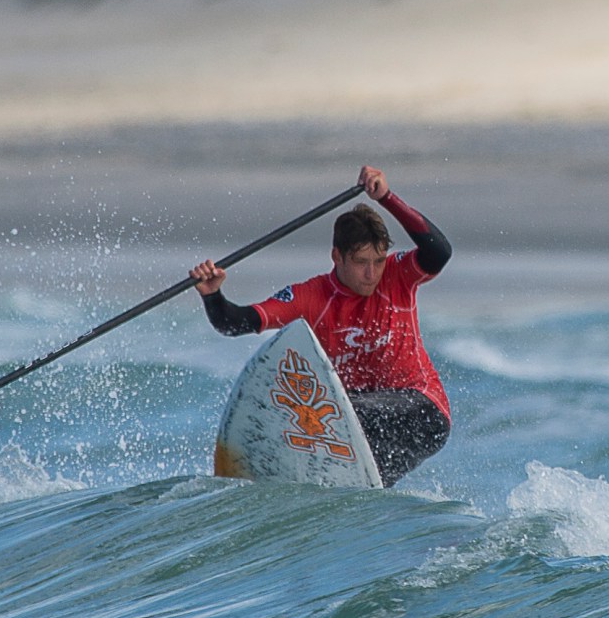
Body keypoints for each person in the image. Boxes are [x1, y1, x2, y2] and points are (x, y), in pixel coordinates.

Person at [192, 166, 451, 486]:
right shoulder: (310, 298)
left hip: (424, 412)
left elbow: (439, 251)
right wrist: (213, 296)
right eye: (361, 262)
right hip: (361, 427)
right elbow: (235, 324)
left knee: (329, 413)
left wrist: (387, 198)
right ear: (337, 257)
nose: (372, 274)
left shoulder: (398, 275)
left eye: (378, 261)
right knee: (364, 489)